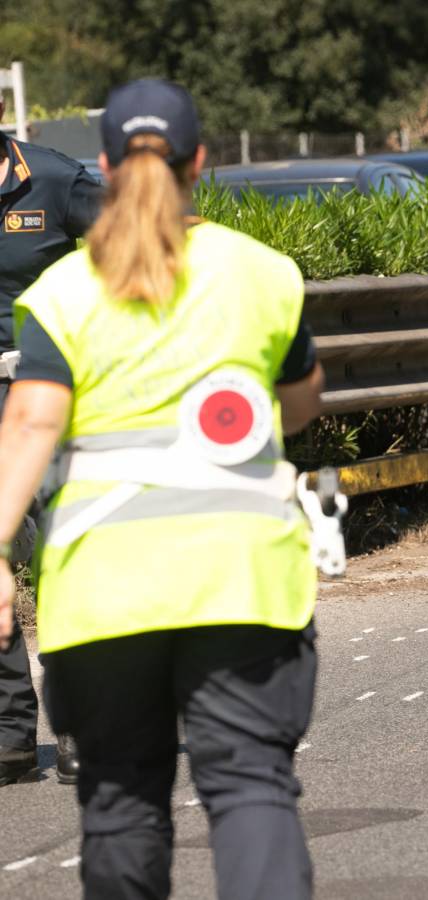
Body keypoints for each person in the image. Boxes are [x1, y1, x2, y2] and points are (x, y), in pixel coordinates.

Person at [0, 79, 325, 898]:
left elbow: (30, 428)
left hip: (105, 596)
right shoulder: (261, 272)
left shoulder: (62, 295)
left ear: (104, 164)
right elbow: (298, 405)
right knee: (250, 789)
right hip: (243, 584)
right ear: (202, 162)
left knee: (119, 808)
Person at [0, 90, 103, 786]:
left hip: (47, 390)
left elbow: (136, 251)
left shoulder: (54, 178)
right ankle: (8, 736)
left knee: (66, 557)